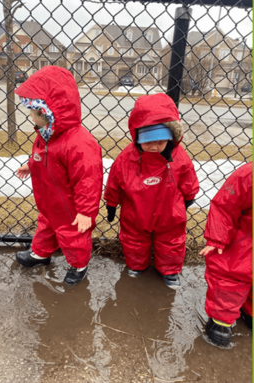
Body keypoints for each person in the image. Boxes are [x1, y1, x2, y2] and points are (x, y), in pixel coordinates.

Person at [15, 66, 103, 286]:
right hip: (49, 200)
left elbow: (89, 181)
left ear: (51, 111)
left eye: (37, 113)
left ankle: (78, 264)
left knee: (73, 237)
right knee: (45, 226)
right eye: (32, 112)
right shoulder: (45, 134)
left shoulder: (80, 143)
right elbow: (41, 155)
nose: (32, 118)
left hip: (71, 208)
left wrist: (85, 212)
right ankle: (41, 253)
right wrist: (30, 165)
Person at [104, 93, 199, 289]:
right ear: (137, 136)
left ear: (171, 137)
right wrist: (111, 204)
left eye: (161, 141)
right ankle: (137, 265)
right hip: (136, 213)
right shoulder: (126, 158)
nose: (155, 147)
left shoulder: (179, 157)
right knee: (134, 241)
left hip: (169, 214)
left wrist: (189, 197)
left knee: (171, 243)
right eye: (148, 141)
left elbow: (189, 179)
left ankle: (170, 270)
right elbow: (114, 182)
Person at [200, 162, 252, 346]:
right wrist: (217, 237)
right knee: (229, 282)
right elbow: (225, 207)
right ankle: (221, 321)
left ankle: (250, 312)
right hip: (244, 245)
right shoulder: (248, 174)